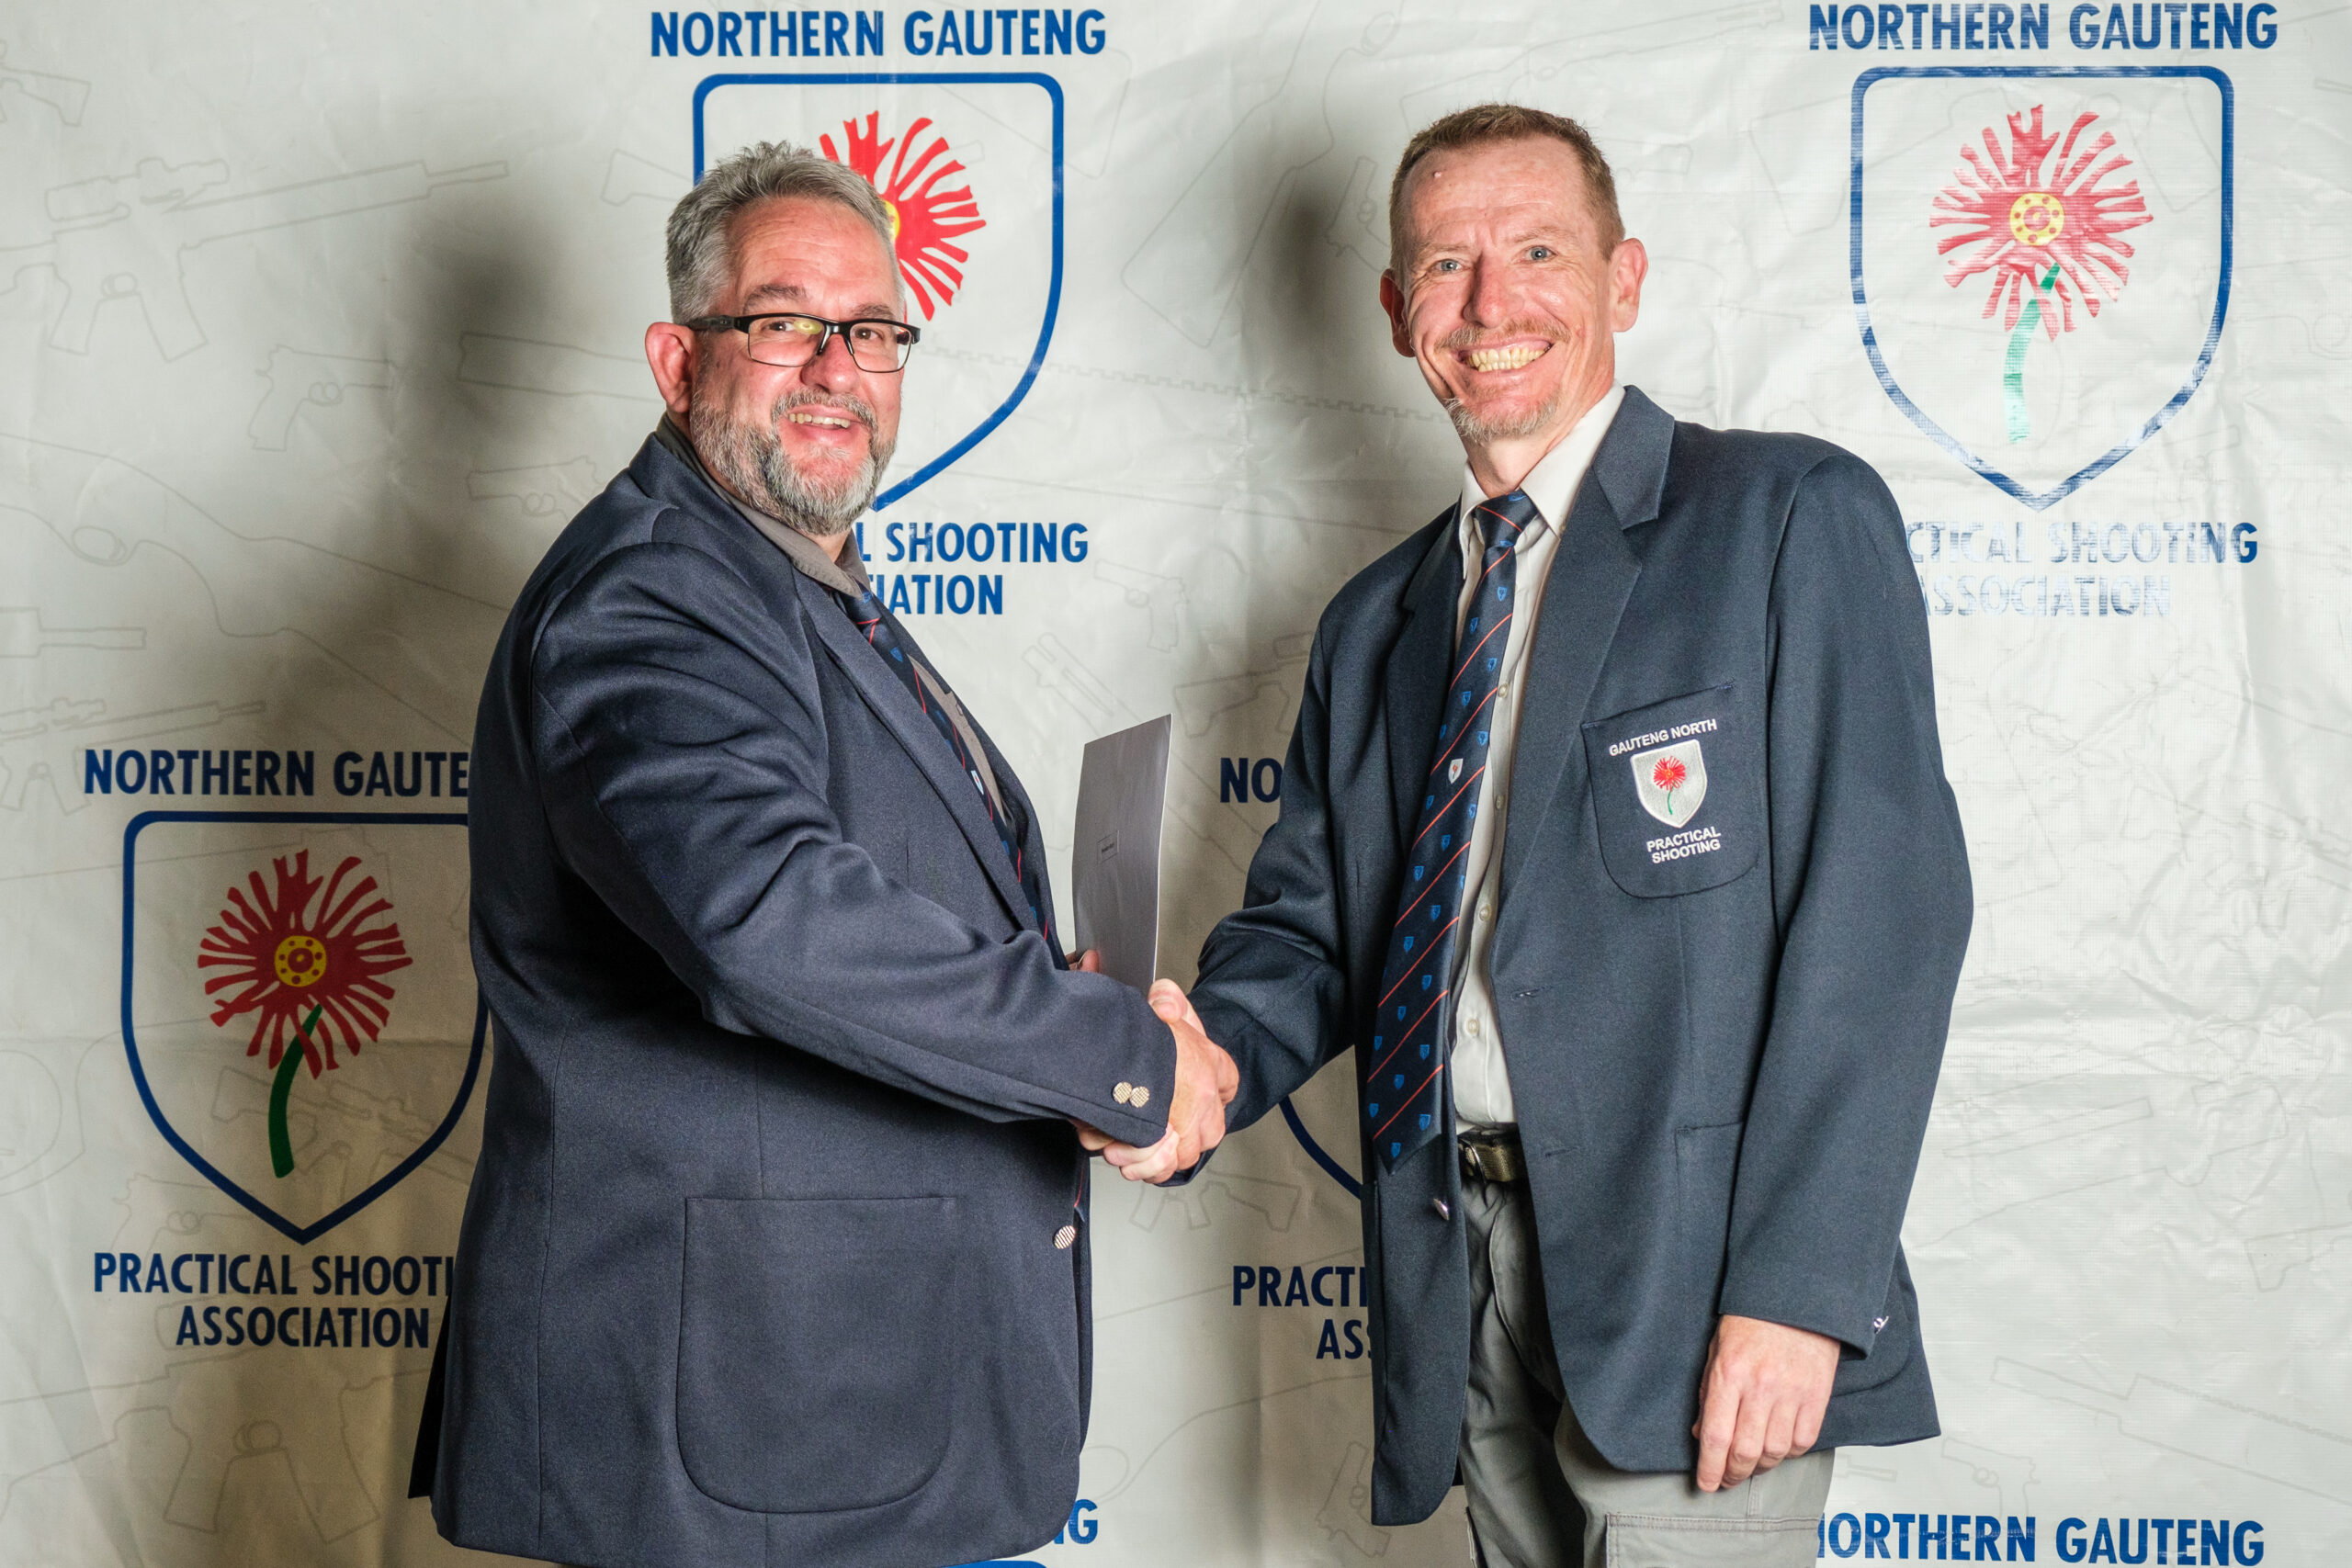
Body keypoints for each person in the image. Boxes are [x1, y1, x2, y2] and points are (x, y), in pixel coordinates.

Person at [1124, 104, 1972, 1567]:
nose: (1490, 304)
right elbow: (1311, 937)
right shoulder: (1377, 622)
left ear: (1623, 279)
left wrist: (1798, 1289)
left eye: (1536, 253)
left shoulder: (1785, 519)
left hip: (1701, 1284)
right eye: (1446, 266)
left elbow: (1883, 924)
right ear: (1397, 312)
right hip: (1461, 1274)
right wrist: (1187, 1065)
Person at [414, 141, 1235, 1568]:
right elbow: (764, 913)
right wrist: (1116, 1056)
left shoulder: (791, 585)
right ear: (679, 360)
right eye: (784, 324)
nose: (838, 368)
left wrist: (1057, 1008)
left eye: (873, 331)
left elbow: (851, 911)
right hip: (748, 1445)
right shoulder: (652, 589)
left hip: (840, 1425)